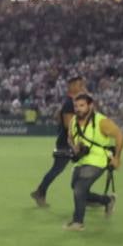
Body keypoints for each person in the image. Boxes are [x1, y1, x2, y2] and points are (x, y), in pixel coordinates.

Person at [65, 92, 123, 231]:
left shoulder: (101, 121)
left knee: (80, 188)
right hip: (82, 160)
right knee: (77, 189)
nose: (78, 108)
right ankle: (108, 201)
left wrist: (117, 157)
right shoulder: (73, 121)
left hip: (99, 159)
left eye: (82, 105)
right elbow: (70, 138)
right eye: (76, 106)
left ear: (90, 106)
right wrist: (75, 147)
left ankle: (77, 223)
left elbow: (119, 134)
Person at [30, 75, 85, 207]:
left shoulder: (70, 102)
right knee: (57, 169)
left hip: (69, 141)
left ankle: (85, 196)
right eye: (79, 84)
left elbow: (57, 117)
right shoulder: (69, 103)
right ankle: (40, 192)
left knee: (84, 167)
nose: (82, 87)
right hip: (67, 142)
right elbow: (67, 125)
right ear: (71, 86)